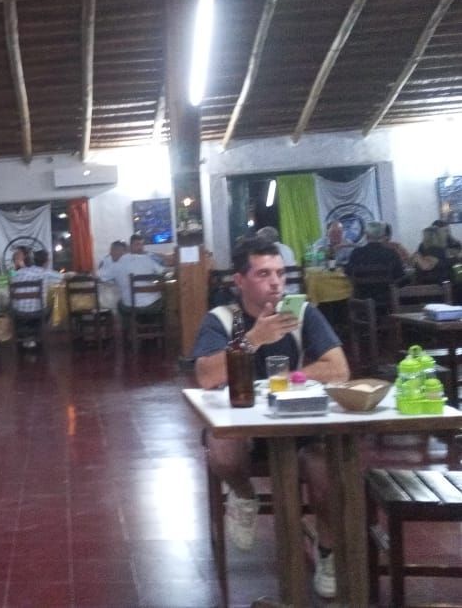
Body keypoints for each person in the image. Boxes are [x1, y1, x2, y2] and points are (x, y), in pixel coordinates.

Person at [193, 238, 350, 599]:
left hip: (296, 421)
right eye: (264, 274)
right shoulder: (221, 319)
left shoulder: (303, 313)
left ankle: (327, 551)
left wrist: (295, 379)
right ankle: (245, 495)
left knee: (327, 471)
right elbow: (206, 376)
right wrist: (253, 340)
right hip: (242, 421)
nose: (276, 283)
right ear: (240, 281)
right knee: (223, 449)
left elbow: (339, 369)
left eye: (280, 273)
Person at [344, 221, 406, 309]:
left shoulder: (356, 253)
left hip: (362, 297)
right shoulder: (391, 253)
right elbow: (400, 276)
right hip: (387, 297)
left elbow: (348, 274)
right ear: (382, 236)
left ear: (366, 235)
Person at [112, 234, 165, 311]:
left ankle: (130, 323)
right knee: (165, 297)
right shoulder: (147, 259)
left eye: (142, 245)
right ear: (130, 246)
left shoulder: (120, 260)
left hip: (129, 305)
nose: (140, 247)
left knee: (120, 304)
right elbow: (163, 272)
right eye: (137, 244)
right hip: (152, 304)